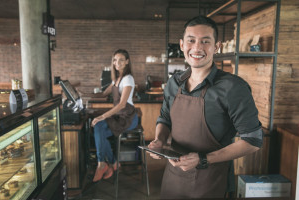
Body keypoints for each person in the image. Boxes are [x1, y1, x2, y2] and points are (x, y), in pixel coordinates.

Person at [148, 15, 263, 198]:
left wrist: (203, 159)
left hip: (211, 182)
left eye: (205, 41)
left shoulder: (233, 88)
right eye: (191, 40)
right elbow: (164, 118)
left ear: (217, 47)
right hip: (173, 178)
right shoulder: (174, 83)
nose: (197, 47)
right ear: (182, 45)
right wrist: (160, 140)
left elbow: (253, 140)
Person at [91, 49, 138, 182]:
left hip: (128, 117)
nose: (117, 63)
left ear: (127, 62)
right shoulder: (116, 79)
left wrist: (102, 116)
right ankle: (107, 162)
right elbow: (103, 94)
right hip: (119, 116)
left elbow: (122, 104)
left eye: (121, 60)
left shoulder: (128, 78)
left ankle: (106, 163)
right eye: (115, 60)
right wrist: (83, 94)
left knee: (99, 126)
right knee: (98, 128)